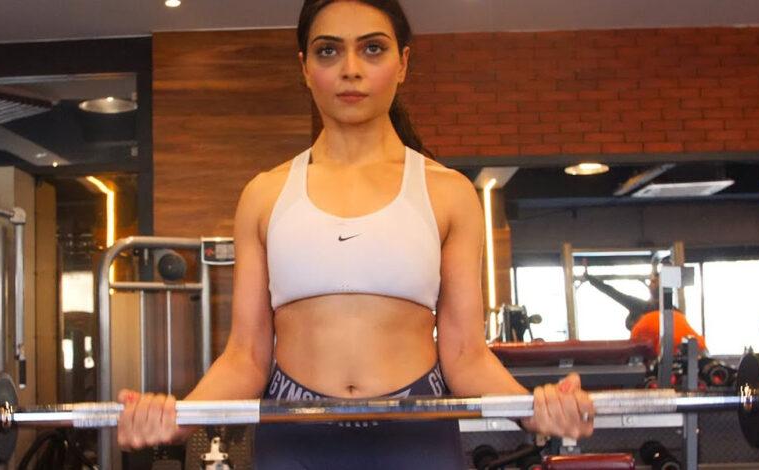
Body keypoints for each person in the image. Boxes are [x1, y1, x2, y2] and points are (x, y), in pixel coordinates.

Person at [117, 1, 594, 468]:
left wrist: (533, 410)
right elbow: (246, 357)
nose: (350, 69)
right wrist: (180, 418)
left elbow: (466, 355)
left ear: (402, 63)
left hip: (416, 437)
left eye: (372, 49)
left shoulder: (448, 193)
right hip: (295, 439)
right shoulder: (264, 195)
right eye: (328, 51)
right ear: (305, 68)